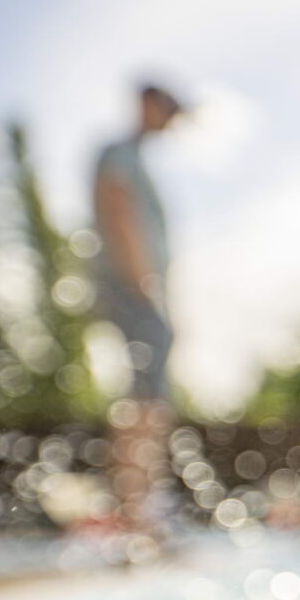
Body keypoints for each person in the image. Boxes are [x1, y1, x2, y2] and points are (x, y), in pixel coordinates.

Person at [90, 81, 184, 548]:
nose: (170, 124)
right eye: (169, 112)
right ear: (150, 104)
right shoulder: (120, 154)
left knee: (147, 397)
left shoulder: (131, 156)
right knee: (147, 400)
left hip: (136, 286)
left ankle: (141, 514)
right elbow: (120, 211)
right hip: (134, 287)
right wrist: (145, 284)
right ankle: (139, 518)